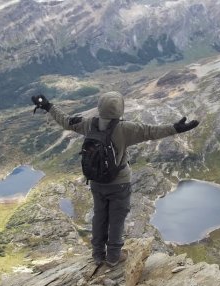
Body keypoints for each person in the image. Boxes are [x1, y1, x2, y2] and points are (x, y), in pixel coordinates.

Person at [32, 91, 199, 266]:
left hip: (96, 181)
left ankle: (97, 254)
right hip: (119, 183)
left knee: (99, 216)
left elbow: (66, 121)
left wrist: (48, 106)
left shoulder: (88, 123)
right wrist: (176, 128)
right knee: (117, 219)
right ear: (120, 110)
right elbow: (151, 132)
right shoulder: (125, 129)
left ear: (99, 108)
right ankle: (113, 257)